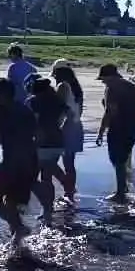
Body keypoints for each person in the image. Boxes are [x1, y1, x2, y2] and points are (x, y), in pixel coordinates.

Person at [0, 78, 47, 248]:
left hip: (12, 163)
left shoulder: (0, 110)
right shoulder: (24, 109)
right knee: (11, 201)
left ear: (3, 94)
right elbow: (39, 137)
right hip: (30, 161)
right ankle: (17, 243)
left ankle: (18, 228)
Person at [95, 64, 135, 204]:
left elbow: (110, 111)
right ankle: (123, 187)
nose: (103, 82)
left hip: (118, 128)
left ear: (110, 77)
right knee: (123, 158)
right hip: (132, 127)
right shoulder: (131, 86)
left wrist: (101, 132)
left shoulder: (112, 88)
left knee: (117, 160)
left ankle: (120, 193)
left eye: (103, 79)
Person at [27, 77, 68, 225]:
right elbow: (64, 117)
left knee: (31, 177)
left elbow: (33, 123)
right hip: (57, 141)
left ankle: (47, 209)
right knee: (46, 176)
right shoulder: (58, 101)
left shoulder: (33, 101)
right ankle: (48, 210)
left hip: (41, 143)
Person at [51, 59, 84, 204]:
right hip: (76, 125)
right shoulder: (76, 87)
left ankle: (67, 187)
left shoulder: (62, 86)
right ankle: (69, 192)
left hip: (65, 126)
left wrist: (54, 127)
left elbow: (59, 109)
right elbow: (79, 111)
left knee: (49, 161)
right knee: (69, 164)